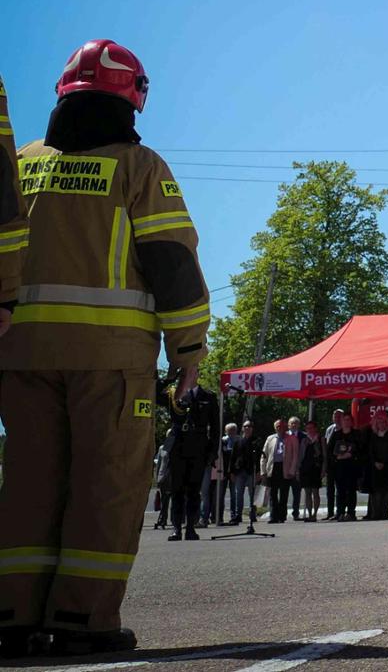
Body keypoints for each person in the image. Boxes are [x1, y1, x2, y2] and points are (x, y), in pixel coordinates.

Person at [0, 43, 209, 656]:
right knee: (105, 486)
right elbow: (172, 263)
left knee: (29, 485)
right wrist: (189, 351)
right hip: (110, 361)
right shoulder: (137, 167)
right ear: (132, 96)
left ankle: (11, 616)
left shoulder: (23, 164)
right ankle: (80, 619)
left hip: (21, 355)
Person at [164, 384, 219, 541]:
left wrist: (213, 452)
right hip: (178, 448)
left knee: (194, 491)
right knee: (177, 490)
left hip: (199, 448)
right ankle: (176, 528)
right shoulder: (174, 393)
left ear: (196, 374)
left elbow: (215, 428)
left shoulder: (208, 396)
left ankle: (190, 528)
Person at [328, 413, 362, 522]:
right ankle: (340, 512)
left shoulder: (356, 434)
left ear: (351, 422)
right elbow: (330, 450)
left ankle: (351, 513)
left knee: (351, 490)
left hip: (352, 466)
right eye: (344, 420)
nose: (346, 422)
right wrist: (337, 456)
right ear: (341, 422)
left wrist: (351, 454)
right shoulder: (336, 435)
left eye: (348, 420)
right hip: (339, 467)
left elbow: (361, 449)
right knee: (340, 490)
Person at [365, 411, 388, 520]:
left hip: (387, 467)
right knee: (376, 492)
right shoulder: (373, 436)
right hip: (375, 468)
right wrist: (375, 462)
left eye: (383, 422)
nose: (381, 424)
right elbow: (370, 452)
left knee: (387, 491)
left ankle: (384, 513)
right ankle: (376, 513)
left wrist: (384, 463)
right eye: (379, 422)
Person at [299, 421, 325, 522]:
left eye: (311, 428)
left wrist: (324, 469)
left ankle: (315, 513)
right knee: (307, 492)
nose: (309, 430)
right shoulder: (304, 440)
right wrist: (298, 469)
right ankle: (309, 514)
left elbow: (324, 455)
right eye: (307, 428)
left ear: (315, 428)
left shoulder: (320, 439)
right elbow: (300, 456)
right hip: (305, 468)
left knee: (315, 491)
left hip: (316, 468)